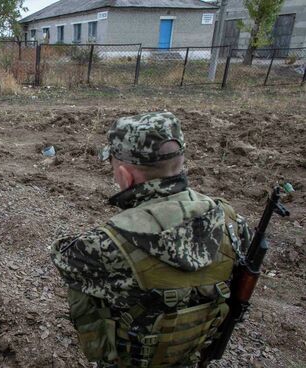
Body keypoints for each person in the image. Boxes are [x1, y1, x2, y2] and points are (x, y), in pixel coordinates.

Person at [51, 112, 251, 367]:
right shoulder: (232, 222)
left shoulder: (106, 244)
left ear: (125, 176)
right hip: (193, 354)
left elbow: (63, 257)